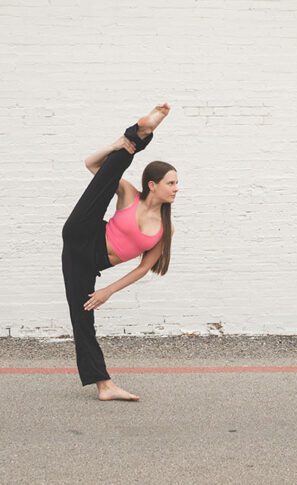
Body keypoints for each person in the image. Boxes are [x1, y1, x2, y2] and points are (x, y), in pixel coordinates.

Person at [61, 103, 178, 401]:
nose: (177, 188)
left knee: (82, 318)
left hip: (85, 261)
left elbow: (142, 268)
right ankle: (139, 134)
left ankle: (104, 385)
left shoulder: (164, 229)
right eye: (171, 183)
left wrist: (108, 291)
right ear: (153, 185)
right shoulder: (130, 195)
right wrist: (115, 146)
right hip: (85, 231)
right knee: (111, 174)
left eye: (177, 183)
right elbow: (91, 164)